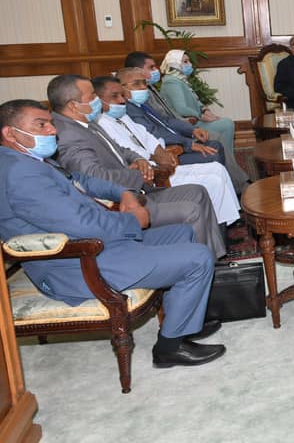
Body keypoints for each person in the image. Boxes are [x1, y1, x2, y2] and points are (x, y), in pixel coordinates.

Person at [0, 99, 225, 368]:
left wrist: (123, 192)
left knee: (181, 232)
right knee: (198, 258)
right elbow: (83, 225)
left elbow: (80, 180)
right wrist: (133, 221)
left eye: (50, 123)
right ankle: (169, 348)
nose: (52, 130)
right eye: (41, 125)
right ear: (10, 133)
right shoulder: (20, 173)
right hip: (76, 263)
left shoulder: (28, 160)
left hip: (96, 245)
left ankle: (182, 322)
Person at [47, 74, 226, 258]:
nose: (96, 99)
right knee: (192, 211)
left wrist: (139, 160)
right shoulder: (68, 135)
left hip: (136, 191)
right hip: (119, 207)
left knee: (198, 192)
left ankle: (214, 258)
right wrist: (139, 174)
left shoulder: (86, 122)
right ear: (73, 105)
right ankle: (200, 262)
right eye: (92, 95)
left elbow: (120, 149)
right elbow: (95, 178)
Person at [93, 76, 240, 226]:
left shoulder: (123, 116)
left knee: (218, 169)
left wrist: (162, 154)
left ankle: (226, 225)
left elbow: (147, 136)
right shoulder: (102, 124)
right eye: (114, 96)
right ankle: (219, 227)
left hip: (160, 163)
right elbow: (130, 152)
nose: (121, 100)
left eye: (122, 95)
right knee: (214, 181)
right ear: (98, 99)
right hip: (152, 175)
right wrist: (158, 158)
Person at [123, 51, 251, 190]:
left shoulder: (145, 96)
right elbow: (157, 131)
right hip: (168, 149)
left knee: (216, 143)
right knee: (215, 143)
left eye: (143, 83)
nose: (143, 87)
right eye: (151, 67)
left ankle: (231, 185)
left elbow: (167, 120)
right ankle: (236, 185)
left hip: (179, 132)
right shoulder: (134, 106)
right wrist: (188, 142)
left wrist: (193, 128)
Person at [158, 49, 239, 167]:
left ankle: (229, 159)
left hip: (195, 119)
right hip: (187, 123)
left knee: (226, 123)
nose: (189, 64)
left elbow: (196, 100)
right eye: (185, 61)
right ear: (175, 64)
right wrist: (201, 116)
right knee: (226, 124)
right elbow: (181, 109)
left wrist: (205, 110)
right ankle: (228, 162)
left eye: (189, 61)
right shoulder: (172, 82)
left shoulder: (179, 79)